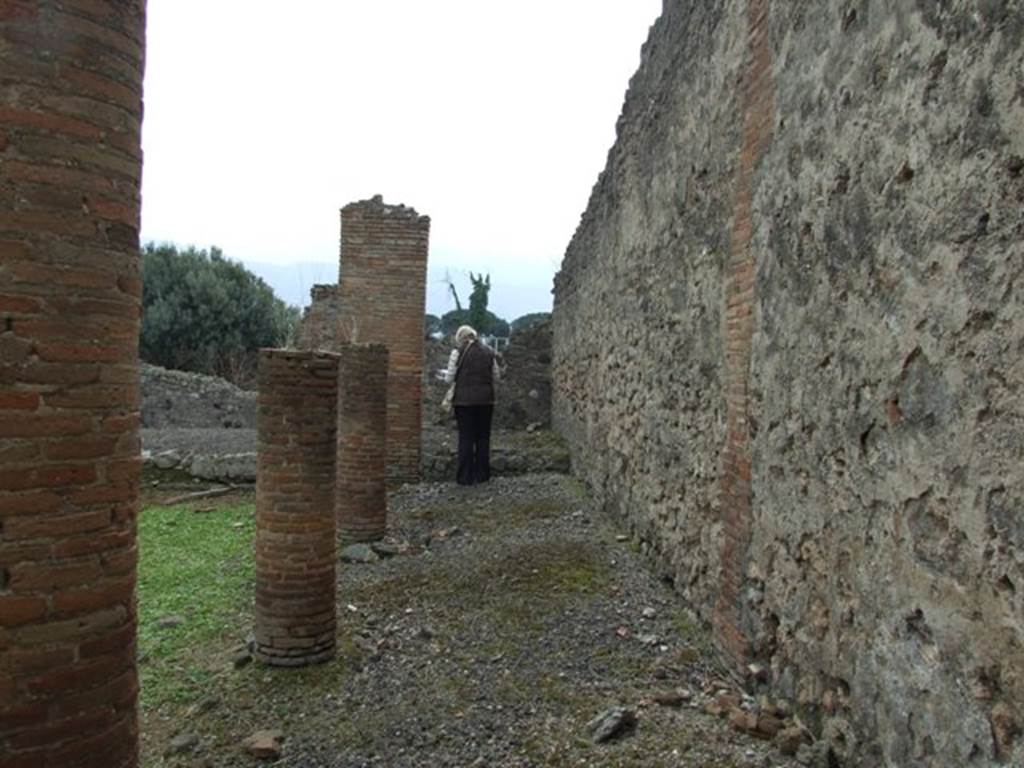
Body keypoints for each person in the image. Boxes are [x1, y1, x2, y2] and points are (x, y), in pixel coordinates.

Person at [442, 325, 503, 485]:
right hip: (486, 401)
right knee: (483, 438)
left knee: (466, 437)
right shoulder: (489, 352)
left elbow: (449, 378)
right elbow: (496, 376)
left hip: (463, 402)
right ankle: (483, 475)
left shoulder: (457, 352)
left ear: (460, 338)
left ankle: (465, 477)